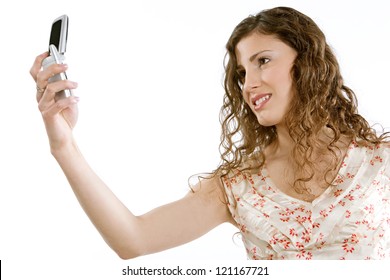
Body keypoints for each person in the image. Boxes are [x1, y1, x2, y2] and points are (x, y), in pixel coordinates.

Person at [30, 6, 389, 260]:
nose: (250, 85)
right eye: (241, 73)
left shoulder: (381, 159)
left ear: (308, 61)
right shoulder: (239, 185)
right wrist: (64, 146)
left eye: (263, 60)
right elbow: (133, 240)